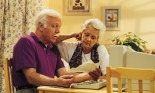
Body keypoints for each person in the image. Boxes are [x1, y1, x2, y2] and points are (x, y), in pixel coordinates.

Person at [12, 9, 101, 93]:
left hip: (47, 90)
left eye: (59, 27)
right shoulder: (26, 42)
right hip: (29, 91)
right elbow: (31, 77)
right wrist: (56, 82)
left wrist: (89, 75)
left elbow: (64, 74)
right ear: (41, 26)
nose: (58, 31)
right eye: (54, 26)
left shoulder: (52, 47)